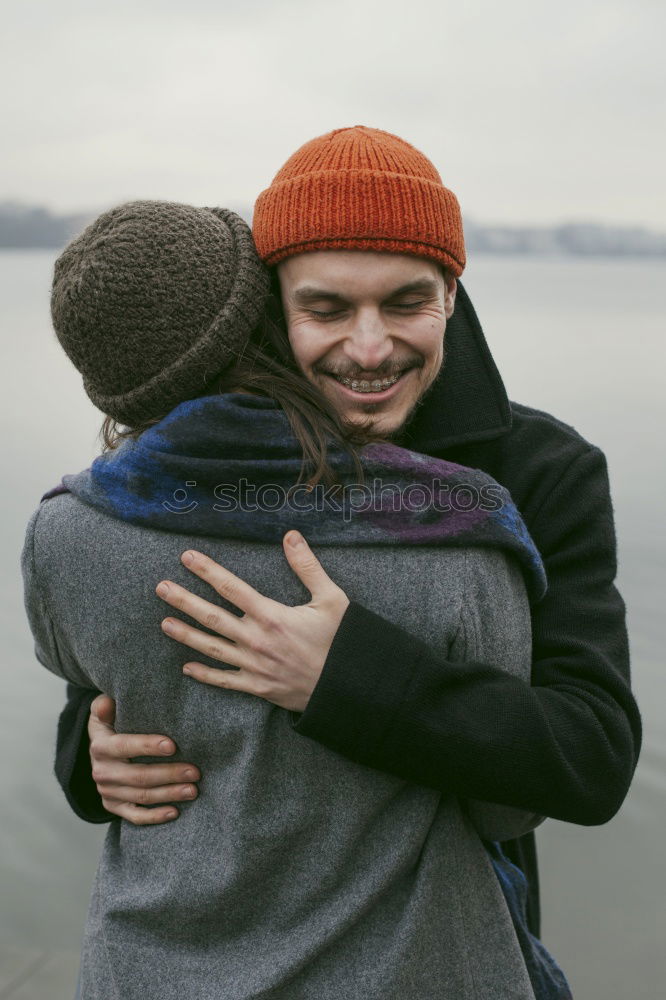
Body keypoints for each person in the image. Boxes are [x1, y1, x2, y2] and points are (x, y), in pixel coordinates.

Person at [53, 126, 641, 944]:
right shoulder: (197, 456)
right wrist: (89, 758)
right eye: (325, 309)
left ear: (451, 294)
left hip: (449, 941)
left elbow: (592, 755)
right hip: (212, 936)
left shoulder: (545, 469)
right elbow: (111, 670)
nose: (370, 350)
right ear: (273, 310)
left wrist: (348, 675)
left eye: (406, 302)